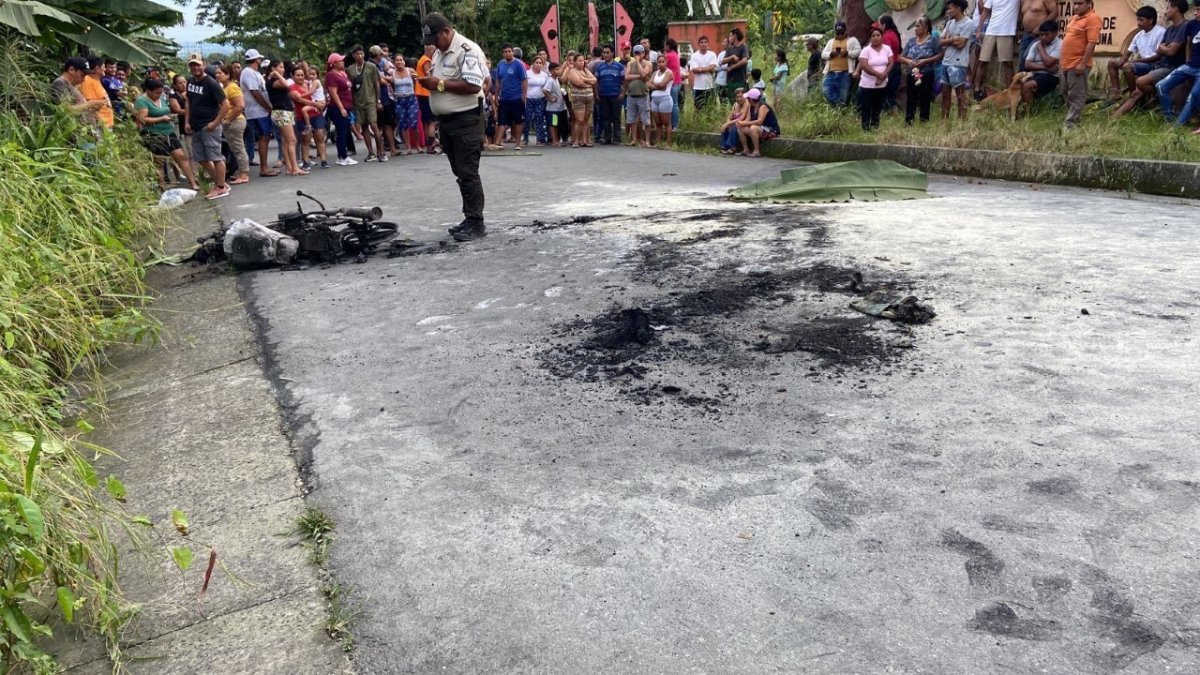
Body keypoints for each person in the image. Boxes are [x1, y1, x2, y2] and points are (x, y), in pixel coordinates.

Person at [418, 12, 489, 242]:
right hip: (448, 122)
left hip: (466, 120)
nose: (434, 45)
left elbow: (474, 85)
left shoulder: (466, 50)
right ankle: (470, 218)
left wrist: (438, 84)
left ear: (446, 31)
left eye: (436, 39)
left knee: (468, 172)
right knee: (460, 172)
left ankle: (476, 223)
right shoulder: (440, 52)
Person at [1112, 0, 1191, 119]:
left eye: (1168, 8)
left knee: (1140, 82)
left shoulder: (1185, 26)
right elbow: (1160, 49)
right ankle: (1111, 120)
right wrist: (1166, 47)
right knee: (1135, 94)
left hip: (1171, 67)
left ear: (1176, 9)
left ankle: (1156, 96)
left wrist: (1165, 48)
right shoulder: (1169, 30)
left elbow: (1171, 52)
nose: (1166, 11)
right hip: (1161, 66)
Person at [135, 78, 199, 191]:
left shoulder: (161, 98)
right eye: (157, 93)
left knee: (181, 157)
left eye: (161, 92)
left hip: (169, 132)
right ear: (149, 91)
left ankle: (193, 182)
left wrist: (169, 117)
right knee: (159, 162)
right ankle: (162, 186)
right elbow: (141, 119)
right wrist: (161, 119)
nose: (159, 95)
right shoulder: (142, 101)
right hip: (154, 135)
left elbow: (165, 110)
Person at [184, 53, 231, 199]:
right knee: (200, 157)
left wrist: (215, 123)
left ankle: (220, 187)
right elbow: (189, 102)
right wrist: (187, 121)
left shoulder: (211, 83)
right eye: (192, 65)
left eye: (198, 65)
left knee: (215, 157)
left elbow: (225, 105)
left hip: (209, 125)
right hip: (196, 126)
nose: (195, 68)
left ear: (203, 65)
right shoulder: (190, 82)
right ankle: (220, 182)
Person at [1106, 7, 1165, 103]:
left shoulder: (1160, 32)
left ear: (1151, 20)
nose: (1138, 22)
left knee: (1128, 67)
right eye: (1137, 19)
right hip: (1142, 64)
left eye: (1141, 20)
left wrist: (1135, 61)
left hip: (1155, 65)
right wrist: (1121, 61)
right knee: (1112, 63)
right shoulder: (1139, 35)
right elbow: (1128, 53)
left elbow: (1158, 56)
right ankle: (1116, 94)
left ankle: (1134, 96)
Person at [1156, 1, 1200, 127]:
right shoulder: (1192, 25)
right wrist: (1187, 63)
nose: (1195, 13)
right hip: (1190, 66)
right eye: (1195, 9)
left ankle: (1177, 126)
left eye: (1198, 10)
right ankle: (1169, 119)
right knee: (1161, 86)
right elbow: (1189, 45)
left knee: (1194, 95)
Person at [1060, 0, 1100, 129]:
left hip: (1077, 64)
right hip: (1066, 63)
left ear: (1089, 4)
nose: (1076, 6)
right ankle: (1075, 119)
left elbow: (1091, 43)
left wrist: (1083, 63)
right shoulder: (1074, 18)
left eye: (1080, 3)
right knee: (1066, 93)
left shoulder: (1093, 18)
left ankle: (1070, 124)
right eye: (1075, 3)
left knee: (1077, 95)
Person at [239, 49, 277, 177]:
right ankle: (264, 168)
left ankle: (264, 167)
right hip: (257, 111)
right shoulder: (248, 73)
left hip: (260, 111)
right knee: (264, 137)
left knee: (265, 137)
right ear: (257, 60)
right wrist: (267, 107)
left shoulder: (255, 73)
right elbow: (255, 92)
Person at [265, 59, 304, 176]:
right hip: (282, 112)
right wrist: (277, 74)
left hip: (284, 111)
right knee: (292, 140)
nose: (282, 69)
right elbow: (287, 84)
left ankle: (289, 167)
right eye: (280, 67)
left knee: (285, 141)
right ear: (273, 68)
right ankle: (295, 167)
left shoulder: (274, 80)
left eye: (283, 67)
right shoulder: (273, 81)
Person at [900, 17, 942, 124]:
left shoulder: (932, 41)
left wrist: (926, 61)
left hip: (926, 73)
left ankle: (924, 121)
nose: (915, 28)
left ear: (925, 28)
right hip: (912, 72)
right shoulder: (911, 41)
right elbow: (901, 57)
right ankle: (909, 121)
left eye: (918, 26)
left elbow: (940, 55)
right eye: (915, 26)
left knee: (925, 97)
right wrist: (909, 61)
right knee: (911, 97)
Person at [347, 46, 385, 161]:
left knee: (373, 125)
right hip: (358, 102)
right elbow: (350, 87)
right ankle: (371, 153)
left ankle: (381, 152)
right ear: (353, 55)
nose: (360, 56)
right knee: (364, 127)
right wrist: (351, 103)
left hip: (370, 101)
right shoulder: (350, 69)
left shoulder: (371, 66)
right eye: (357, 54)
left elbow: (377, 84)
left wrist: (378, 101)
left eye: (361, 53)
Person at [940, 0, 974, 120]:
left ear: (958, 8)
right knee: (945, 93)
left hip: (959, 63)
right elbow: (940, 41)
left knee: (960, 94)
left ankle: (961, 121)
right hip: (946, 61)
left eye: (950, 8)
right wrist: (952, 39)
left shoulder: (968, 23)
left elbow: (961, 44)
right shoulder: (949, 23)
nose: (948, 11)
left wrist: (948, 41)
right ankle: (944, 120)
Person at [215, 65, 249, 184]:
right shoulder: (224, 88)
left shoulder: (232, 87)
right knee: (235, 148)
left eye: (220, 73)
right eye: (216, 73)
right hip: (230, 121)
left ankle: (244, 174)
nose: (217, 75)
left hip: (235, 121)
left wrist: (228, 120)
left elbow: (240, 105)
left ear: (228, 74)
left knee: (238, 148)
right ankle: (241, 172)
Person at [857, 27, 893, 131]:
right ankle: (865, 128)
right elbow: (864, 65)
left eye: (878, 35)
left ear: (882, 37)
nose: (876, 38)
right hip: (868, 84)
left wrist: (884, 74)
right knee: (866, 106)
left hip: (882, 83)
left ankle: (875, 127)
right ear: (870, 38)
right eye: (873, 36)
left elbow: (891, 63)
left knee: (878, 106)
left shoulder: (887, 48)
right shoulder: (866, 50)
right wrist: (878, 74)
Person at [325, 53, 357, 166]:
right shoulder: (331, 75)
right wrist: (341, 108)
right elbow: (333, 93)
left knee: (345, 131)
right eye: (340, 61)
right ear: (334, 63)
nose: (343, 62)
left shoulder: (342, 73)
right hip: (337, 107)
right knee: (341, 132)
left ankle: (343, 155)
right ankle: (342, 156)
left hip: (347, 106)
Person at [493, 44, 528, 149]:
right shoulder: (500, 64)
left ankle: (517, 143)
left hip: (517, 97)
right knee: (502, 121)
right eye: (505, 52)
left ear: (512, 52)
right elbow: (498, 81)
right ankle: (497, 143)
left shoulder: (518, 64)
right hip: (504, 98)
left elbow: (524, 80)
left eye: (509, 51)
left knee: (518, 121)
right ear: (502, 53)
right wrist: (496, 95)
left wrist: (524, 95)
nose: (508, 53)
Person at [1021, 20, 1062, 105]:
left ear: (1055, 33)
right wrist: (1047, 68)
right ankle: (1024, 108)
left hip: (1050, 76)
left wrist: (1040, 48)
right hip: (1034, 73)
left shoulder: (1060, 44)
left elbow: (1048, 62)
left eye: (1046, 34)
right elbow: (1027, 64)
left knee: (1027, 86)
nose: (1043, 37)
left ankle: (1030, 111)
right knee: (1017, 84)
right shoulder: (1036, 44)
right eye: (1041, 34)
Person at [822, 21, 860, 106]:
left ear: (846, 31)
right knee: (826, 91)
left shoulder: (852, 40)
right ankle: (840, 105)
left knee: (843, 96)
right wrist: (830, 54)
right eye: (837, 33)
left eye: (841, 32)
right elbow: (823, 54)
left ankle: (840, 109)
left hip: (845, 73)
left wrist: (847, 53)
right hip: (831, 73)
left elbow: (858, 52)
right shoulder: (831, 41)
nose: (839, 35)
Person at [289, 64, 319, 170]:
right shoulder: (292, 87)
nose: (300, 77)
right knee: (305, 139)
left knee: (316, 136)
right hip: (302, 116)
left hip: (315, 114)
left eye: (302, 75)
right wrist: (316, 104)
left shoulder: (309, 83)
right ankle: (305, 161)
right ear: (292, 76)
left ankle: (309, 159)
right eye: (298, 75)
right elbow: (299, 99)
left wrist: (321, 103)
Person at [594, 45, 625, 144]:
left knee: (616, 118)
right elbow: (596, 81)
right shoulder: (599, 66)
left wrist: (623, 93)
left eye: (607, 52)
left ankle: (616, 138)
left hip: (616, 96)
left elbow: (625, 81)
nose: (605, 54)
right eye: (604, 52)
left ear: (612, 53)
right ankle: (607, 138)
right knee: (605, 118)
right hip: (603, 96)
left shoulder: (619, 66)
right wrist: (596, 94)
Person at [371, 45, 399, 158]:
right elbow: (380, 81)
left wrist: (387, 79)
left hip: (386, 97)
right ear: (377, 55)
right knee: (379, 126)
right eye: (381, 54)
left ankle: (392, 149)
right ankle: (380, 151)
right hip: (377, 98)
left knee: (388, 124)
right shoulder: (372, 65)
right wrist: (387, 80)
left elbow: (391, 75)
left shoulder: (382, 63)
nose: (383, 55)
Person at [736, 88, 779, 157]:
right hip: (760, 128)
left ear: (751, 99)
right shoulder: (751, 106)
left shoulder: (763, 106)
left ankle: (756, 151)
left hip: (770, 129)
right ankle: (746, 150)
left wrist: (744, 123)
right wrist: (740, 122)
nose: (747, 100)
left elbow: (759, 121)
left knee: (753, 128)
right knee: (741, 128)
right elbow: (748, 120)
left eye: (748, 98)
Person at [566, 52, 596, 147]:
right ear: (575, 62)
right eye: (579, 61)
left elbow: (594, 80)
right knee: (579, 120)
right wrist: (588, 84)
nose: (581, 62)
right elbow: (578, 83)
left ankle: (584, 140)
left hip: (589, 98)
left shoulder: (586, 71)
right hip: (578, 98)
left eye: (582, 60)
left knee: (586, 120)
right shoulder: (572, 71)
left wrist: (584, 79)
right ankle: (576, 141)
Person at [1018, 0, 1058, 71]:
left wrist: (1040, 27)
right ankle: (1023, 75)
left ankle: (1024, 75)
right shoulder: (1023, 1)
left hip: (1040, 35)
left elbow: (1054, 12)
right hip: (1026, 34)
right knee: (1022, 58)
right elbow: (1023, 14)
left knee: (1026, 58)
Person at [624, 45, 652, 147]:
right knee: (632, 120)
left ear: (643, 53)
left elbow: (644, 74)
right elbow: (627, 76)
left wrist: (637, 62)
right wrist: (638, 76)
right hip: (631, 95)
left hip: (643, 95)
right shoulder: (629, 64)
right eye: (636, 53)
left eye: (639, 53)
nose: (637, 55)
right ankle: (634, 139)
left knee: (646, 119)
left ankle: (647, 141)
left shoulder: (647, 63)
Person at [415, 43, 439, 153]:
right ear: (430, 50)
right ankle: (431, 146)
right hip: (426, 93)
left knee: (427, 121)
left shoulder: (421, 59)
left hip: (421, 93)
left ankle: (427, 144)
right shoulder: (426, 60)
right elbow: (429, 75)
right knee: (432, 121)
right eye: (434, 51)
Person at [393, 56, 420, 154]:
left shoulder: (410, 70)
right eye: (397, 60)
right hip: (399, 100)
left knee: (414, 123)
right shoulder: (392, 73)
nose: (399, 62)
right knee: (403, 124)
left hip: (411, 99)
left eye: (401, 60)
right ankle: (408, 147)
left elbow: (418, 79)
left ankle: (418, 146)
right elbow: (385, 81)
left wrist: (416, 77)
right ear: (394, 62)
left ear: (404, 62)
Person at [81, 56, 115, 130]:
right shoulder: (87, 81)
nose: (105, 69)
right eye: (103, 67)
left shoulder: (96, 80)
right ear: (97, 68)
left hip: (106, 124)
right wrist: (99, 124)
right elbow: (90, 105)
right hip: (100, 125)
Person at [523, 56, 551, 146]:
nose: (538, 65)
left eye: (540, 63)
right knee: (527, 119)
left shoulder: (544, 75)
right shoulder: (527, 73)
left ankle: (539, 139)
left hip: (540, 99)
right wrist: (523, 96)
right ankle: (525, 139)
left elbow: (547, 87)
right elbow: (523, 85)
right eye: (537, 63)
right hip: (529, 99)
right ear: (533, 63)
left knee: (539, 119)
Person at [306, 67, 330, 167]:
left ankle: (323, 159)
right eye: (310, 74)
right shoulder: (307, 83)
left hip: (317, 110)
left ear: (317, 75)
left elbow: (310, 93)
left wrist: (299, 95)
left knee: (319, 136)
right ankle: (306, 160)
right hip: (311, 110)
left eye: (313, 74)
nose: (311, 76)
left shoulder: (316, 82)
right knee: (307, 138)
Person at [878, 16, 903, 113]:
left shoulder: (886, 37)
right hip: (896, 65)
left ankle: (890, 111)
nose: (879, 27)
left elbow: (886, 53)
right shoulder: (894, 34)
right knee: (890, 91)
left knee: (885, 90)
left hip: (890, 66)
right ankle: (893, 111)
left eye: (880, 24)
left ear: (884, 25)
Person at [649, 54, 674, 148]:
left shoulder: (669, 73)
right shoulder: (655, 73)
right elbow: (648, 84)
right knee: (658, 123)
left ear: (666, 62)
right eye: (659, 62)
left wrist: (654, 86)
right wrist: (657, 87)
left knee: (666, 123)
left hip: (665, 99)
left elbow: (663, 84)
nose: (661, 63)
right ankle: (659, 143)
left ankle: (668, 143)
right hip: (654, 99)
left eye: (663, 61)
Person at [688, 36, 718, 109]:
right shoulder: (694, 56)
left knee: (711, 108)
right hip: (698, 87)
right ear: (699, 44)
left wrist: (700, 69)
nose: (703, 44)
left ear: (708, 43)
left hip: (710, 86)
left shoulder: (712, 54)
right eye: (701, 42)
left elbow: (713, 68)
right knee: (698, 109)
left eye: (705, 42)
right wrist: (708, 69)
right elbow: (694, 70)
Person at [544, 62, 568, 146]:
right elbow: (545, 90)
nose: (559, 71)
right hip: (552, 109)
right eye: (557, 69)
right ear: (551, 71)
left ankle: (557, 140)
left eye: (559, 69)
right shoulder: (550, 80)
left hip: (558, 107)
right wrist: (550, 98)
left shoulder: (556, 79)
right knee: (553, 124)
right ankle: (554, 140)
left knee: (556, 124)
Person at [722, 28, 749, 100]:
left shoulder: (743, 47)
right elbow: (723, 61)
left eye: (730, 36)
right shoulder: (729, 49)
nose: (729, 38)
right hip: (730, 79)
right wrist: (732, 57)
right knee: (731, 99)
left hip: (740, 79)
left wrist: (732, 67)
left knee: (741, 100)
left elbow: (744, 60)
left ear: (735, 36)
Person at [719, 88, 747, 153]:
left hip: (742, 124)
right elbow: (729, 117)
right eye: (737, 97)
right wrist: (727, 124)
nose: (739, 99)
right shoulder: (735, 105)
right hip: (734, 123)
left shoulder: (746, 104)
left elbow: (741, 118)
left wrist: (728, 123)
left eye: (741, 96)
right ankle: (724, 146)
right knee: (725, 126)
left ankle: (732, 147)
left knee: (734, 126)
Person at [663, 38, 682, 129]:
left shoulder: (668, 55)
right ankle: (674, 124)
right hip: (677, 82)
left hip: (672, 83)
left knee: (673, 104)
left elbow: (662, 67)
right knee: (675, 104)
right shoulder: (675, 54)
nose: (664, 47)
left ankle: (673, 124)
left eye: (665, 45)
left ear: (668, 46)